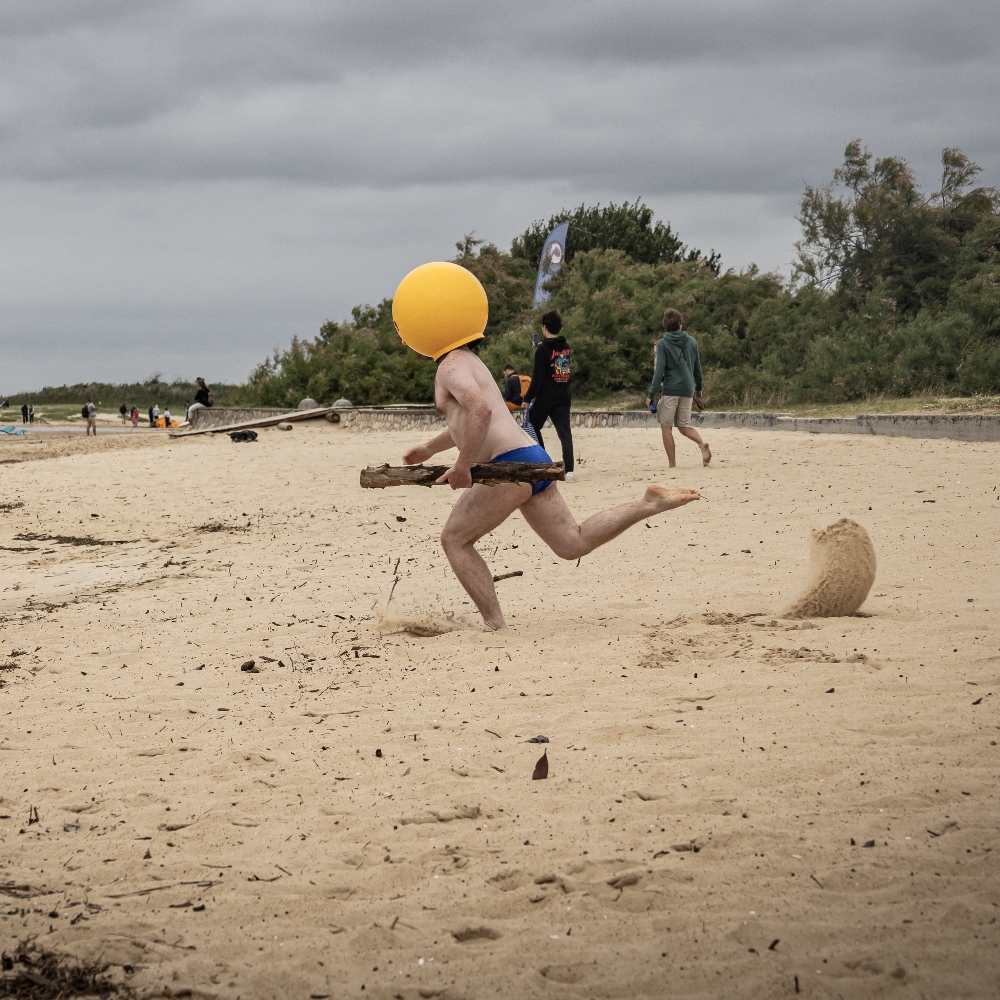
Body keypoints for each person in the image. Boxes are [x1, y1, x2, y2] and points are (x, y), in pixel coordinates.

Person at [392, 261, 700, 631]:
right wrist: (430, 448)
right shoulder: (470, 361)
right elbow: (473, 419)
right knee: (572, 543)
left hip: (509, 465)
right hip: (532, 456)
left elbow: (481, 412)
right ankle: (648, 502)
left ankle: (494, 622)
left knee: (454, 539)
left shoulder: (450, 366)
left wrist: (462, 466)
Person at [646, 308, 711, 468]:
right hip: (687, 389)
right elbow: (698, 369)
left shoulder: (662, 344)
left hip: (670, 390)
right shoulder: (692, 342)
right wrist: (698, 389)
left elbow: (659, 371)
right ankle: (702, 443)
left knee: (666, 427)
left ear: (664, 325)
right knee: (683, 426)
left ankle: (672, 464)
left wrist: (651, 394)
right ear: (680, 324)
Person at [523, 309, 575, 481]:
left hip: (546, 396)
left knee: (532, 425)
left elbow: (538, 378)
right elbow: (556, 359)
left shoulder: (543, 350)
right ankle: (569, 470)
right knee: (564, 432)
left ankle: (545, 465)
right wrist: (541, 348)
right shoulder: (565, 347)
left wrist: (527, 398)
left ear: (544, 327)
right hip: (564, 393)